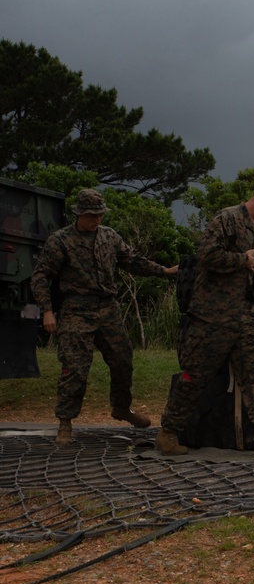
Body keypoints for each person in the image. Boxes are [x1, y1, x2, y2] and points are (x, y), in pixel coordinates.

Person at [155, 174, 254, 458]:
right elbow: (206, 255)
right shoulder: (227, 218)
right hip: (211, 314)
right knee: (194, 376)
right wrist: (242, 259)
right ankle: (168, 433)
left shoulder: (253, 228)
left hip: (243, 313)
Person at [30, 188, 179, 446]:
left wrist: (164, 271)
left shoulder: (110, 237)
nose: (96, 220)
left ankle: (121, 408)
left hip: (108, 309)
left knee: (123, 361)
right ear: (78, 214)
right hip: (77, 309)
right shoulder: (61, 240)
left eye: (99, 215)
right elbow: (41, 275)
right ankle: (65, 423)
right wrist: (47, 310)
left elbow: (131, 261)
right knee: (74, 368)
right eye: (90, 215)